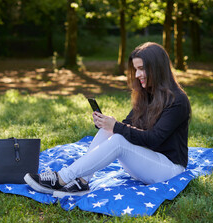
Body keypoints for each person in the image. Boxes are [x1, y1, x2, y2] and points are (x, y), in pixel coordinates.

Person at [24, 42, 191, 197]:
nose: (138, 75)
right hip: (145, 162)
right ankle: (82, 181)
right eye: (136, 69)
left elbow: (154, 139)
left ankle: (62, 178)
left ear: (157, 68)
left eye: (141, 69)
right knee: (109, 130)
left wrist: (116, 127)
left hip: (169, 169)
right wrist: (108, 123)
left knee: (118, 137)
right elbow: (128, 125)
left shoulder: (178, 100)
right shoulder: (148, 94)